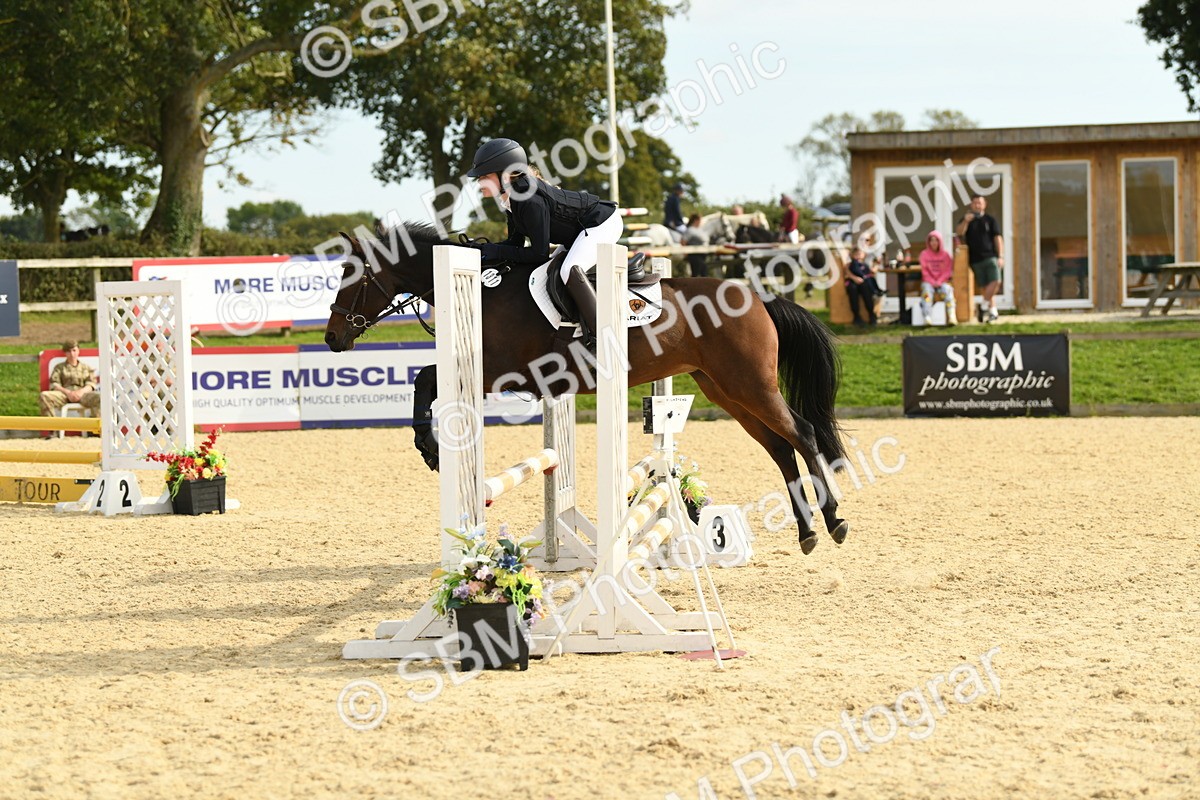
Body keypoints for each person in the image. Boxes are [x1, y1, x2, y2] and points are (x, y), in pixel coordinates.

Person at [466, 138, 620, 350]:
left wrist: (493, 250)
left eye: (484, 176)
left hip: (600, 223)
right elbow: (515, 244)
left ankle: (603, 337)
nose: (479, 183)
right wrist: (484, 251)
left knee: (568, 271)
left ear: (505, 175)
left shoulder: (528, 200)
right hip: (580, 233)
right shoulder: (511, 199)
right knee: (549, 273)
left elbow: (539, 253)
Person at [955, 194, 1004, 323]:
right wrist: (966, 221)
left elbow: (998, 238)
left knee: (996, 281)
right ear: (971, 205)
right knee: (984, 286)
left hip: (990, 256)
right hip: (975, 259)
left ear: (984, 204)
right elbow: (959, 233)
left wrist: (1001, 256)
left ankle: (982, 307)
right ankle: (993, 312)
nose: (977, 205)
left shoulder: (990, 220)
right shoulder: (967, 220)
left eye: (979, 203)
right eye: (975, 203)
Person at [39, 340, 100, 419]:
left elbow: (91, 384)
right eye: (69, 351)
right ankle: (52, 428)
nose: (72, 354)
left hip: (83, 394)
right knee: (44, 396)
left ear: (78, 351)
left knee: (99, 397)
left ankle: (94, 428)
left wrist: (80, 393)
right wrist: (69, 393)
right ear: (65, 353)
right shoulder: (59, 367)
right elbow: (55, 384)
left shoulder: (86, 367)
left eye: (74, 350)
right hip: (64, 395)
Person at [918, 231, 956, 325]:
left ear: (940, 242)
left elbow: (948, 271)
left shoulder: (946, 255)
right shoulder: (924, 255)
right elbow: (924, 271)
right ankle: (927, 317)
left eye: (936, 240)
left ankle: (951, 315)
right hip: (928, 282)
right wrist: (932, 281)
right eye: (932, 240)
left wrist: (939, 281)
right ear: (928, 242)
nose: (934, 243)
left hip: (942, 282)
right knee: (926, 292)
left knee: (948, 290)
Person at [844, 247, 879, 327]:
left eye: (860, 254)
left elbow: (872, 272)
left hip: (863, 284)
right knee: (853, 289)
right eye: (856, 254)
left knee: (866, 288)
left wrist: (876, 265)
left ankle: (871, 314)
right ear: (852, 255)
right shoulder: (850, 264)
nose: (858, 256)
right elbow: (847, 272)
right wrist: (855, 278)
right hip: (853, 283)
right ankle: (856, 316)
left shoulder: (865, 264)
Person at [683, 213, 710, 278]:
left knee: (703, 272)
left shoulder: (700, 229)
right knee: (697, 273)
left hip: (702, 255)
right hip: (694, 255)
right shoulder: (690, 230)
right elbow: (683, 241)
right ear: (696, 220)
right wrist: (685, 252)